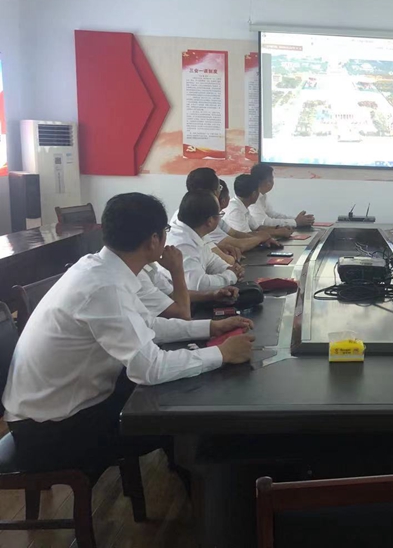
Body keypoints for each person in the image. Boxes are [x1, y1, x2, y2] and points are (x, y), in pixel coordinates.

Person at [2, 193, 255, 472]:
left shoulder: (102, 268)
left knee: (179, 395)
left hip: (59, 406)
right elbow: (149, 369)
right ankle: (204, 490)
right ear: (154, 240)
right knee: (182, 420)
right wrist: (222, 353)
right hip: (49, 430)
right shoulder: (104, 286)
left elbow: (146, 324)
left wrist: (210, 327)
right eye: (165, 231)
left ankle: (191, 481)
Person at [175, 168, 278, 254]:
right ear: (213, 192)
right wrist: (261, 238)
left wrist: (261, 237)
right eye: (219, 187)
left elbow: (235, 234)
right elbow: (238, 245)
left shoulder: (199, 210)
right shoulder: (202, 216)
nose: (221, 191)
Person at [167, 191, 245, 291]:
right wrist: (231, 275)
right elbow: (199, 285)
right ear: (210, 221)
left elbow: (211, 260)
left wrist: (229, 268)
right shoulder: (182, 244)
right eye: (219, 214)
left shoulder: (194, 232)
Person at [136, 245, 238, 319]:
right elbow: (183, 314)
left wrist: (213, 294)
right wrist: (176, 270)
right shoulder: (139, 277)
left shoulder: (147, 266)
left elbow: (172, 293)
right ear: (154, 239)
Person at [249, 163, 314, 229]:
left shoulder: (262, 196)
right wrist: (296, 222)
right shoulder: (253, 198)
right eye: (272, 178)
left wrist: (297, 220)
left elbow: (273, 215)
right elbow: (263, 222)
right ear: (268, 182)